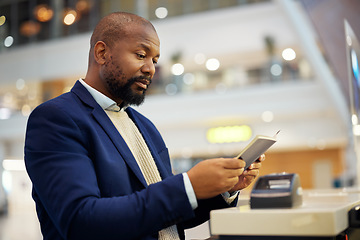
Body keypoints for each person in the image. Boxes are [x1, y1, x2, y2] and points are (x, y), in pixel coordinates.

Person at [24, 12, 264, 240]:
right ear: (101, 53)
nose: (151, 68)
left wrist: (223, 189)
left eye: (155, 60)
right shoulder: (56, 118)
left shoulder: (145, 127)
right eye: (141, 55)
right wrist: (186, 186)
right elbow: (81, 221)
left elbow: (168, 217)